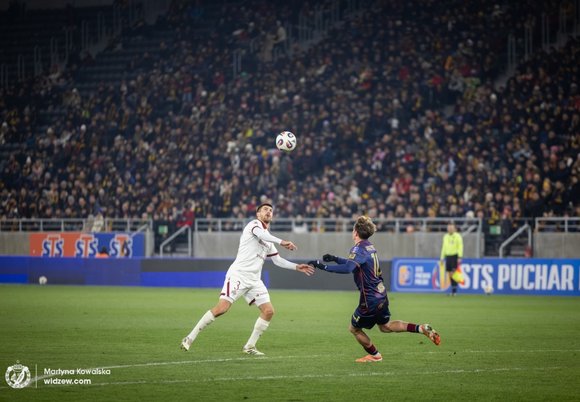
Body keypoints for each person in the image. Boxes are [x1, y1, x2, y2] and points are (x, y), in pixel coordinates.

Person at [180, 202, 314, 355]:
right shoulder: (254, 225)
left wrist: (297, 267)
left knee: (268, 311)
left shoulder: (268, 240)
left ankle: (249, 346)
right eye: (265, 209)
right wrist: (282, 241)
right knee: (222, 308)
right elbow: (262, 234)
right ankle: (189, 338)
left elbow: (277, 261)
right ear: (258, 214)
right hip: (238, 275)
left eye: (271, 210)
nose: (268, 212)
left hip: (254, 280)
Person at [308, 216, 441, 363]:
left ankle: (375, 355)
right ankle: (421, 328)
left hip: (369, 299)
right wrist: (335, 258)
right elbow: (355, 263)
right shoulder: (369, 246)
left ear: (355, 232)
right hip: (381, 294)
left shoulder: (358, 248)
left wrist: (322, 266)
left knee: (354, 329)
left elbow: (348, 268)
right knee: (385, 326)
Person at [440, 221, 464, 296]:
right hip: (448, 256)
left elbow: (460, 247)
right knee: (450, 274)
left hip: (454, 256)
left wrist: (459, 257)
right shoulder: (445, 236)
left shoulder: (458, 236)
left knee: (454, 273)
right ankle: (453, 291)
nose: (450, 229)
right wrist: (442, 257)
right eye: (449, 227)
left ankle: (454, 291)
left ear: (454, 229)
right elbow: (443, 247)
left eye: (451, 227)